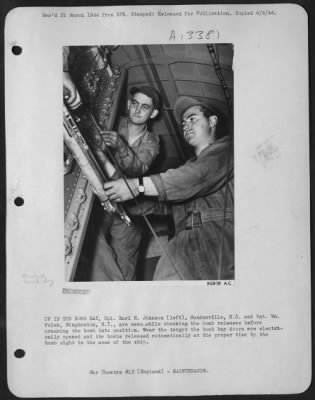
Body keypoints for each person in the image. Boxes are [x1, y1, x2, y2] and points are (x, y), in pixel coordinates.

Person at [103, 96, 234, 280]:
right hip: (179, 247)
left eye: (192, 119)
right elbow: (160, 204)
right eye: (183, 123)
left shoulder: (228, 148)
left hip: (216, 240)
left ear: (212, 121)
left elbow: (199, 175)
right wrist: (113, 182)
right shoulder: (185, 169)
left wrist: (138, 186)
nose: (186, 125)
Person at [90, 86, 161, 281]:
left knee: (126, 260)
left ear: (153, 113)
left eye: (145, 107)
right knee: (95, 249)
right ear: (129, 104)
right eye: (135, 104)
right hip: (101, 201)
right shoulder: (111, 121)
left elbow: (136, 171)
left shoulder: (152, 141)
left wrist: (120, 146)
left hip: (130, 211)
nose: (138, 110)